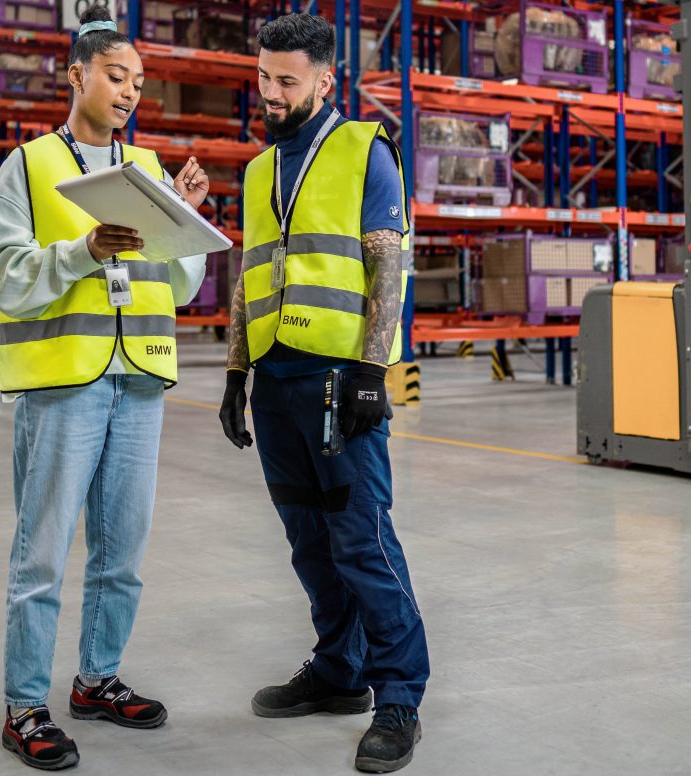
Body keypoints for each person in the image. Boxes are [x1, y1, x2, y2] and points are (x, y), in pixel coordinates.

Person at [0, 7, 212, 771]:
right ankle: (24, 706)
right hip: (64, 384)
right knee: (42, 553)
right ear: (76, 76)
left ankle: (97, 679)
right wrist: (81, 251)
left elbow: (180, 282)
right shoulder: (30, 166)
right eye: (117, 76)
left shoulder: (148, 170)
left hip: (138, 378)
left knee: (123, 551)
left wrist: (186, 217)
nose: (130, 91)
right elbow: (1, 273)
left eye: (139, 81)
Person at [216, 13, 428, 774]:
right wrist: (235, 373)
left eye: (286, 80)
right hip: (276, 383)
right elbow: (247, 275)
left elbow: (387, 263)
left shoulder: (364, 149)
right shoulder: (256, 170)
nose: (270, 92)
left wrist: (373, 372)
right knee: (308, 542)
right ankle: (340, 670)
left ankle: (399, 695)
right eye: (263, 78)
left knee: (362, 541)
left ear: (324, 80)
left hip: (341, 382)